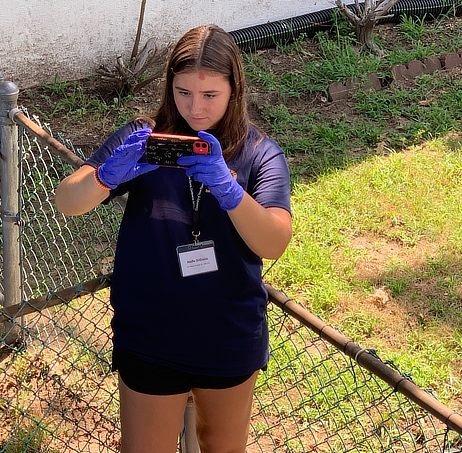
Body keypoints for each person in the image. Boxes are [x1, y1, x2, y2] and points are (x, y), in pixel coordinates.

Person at [54, 24, 292, 453]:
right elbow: (68, 200)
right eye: (183, 93)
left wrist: (231, 192)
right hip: (150, 329)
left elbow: (273, 243)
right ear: (169, 86)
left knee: (223, 446)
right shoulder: (143, 137)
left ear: (234, 90)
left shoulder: (259, 153)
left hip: (228, 331)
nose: (195, 109)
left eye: (210, 96)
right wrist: (106, 177)